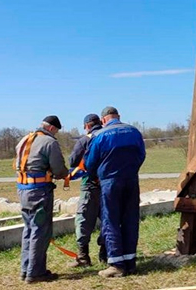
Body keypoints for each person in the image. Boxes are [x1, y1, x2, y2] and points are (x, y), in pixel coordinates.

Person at [84, 106, 146, 278]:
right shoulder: (134, 131)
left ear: (104, 120)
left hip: (110, 182)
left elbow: (90, 162)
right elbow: (142, 154)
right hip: (131, 180)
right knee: (130, 219)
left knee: (110, 220)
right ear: (118, 116)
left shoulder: (100, 135)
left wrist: (97, 175)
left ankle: (116, 264)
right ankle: (130, 262)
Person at [14, 115, 69, 284]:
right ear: (52, 128)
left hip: (23, 190)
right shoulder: (49, 142)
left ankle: (25, 270)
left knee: (29, 229)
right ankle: (36, 273)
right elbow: (59, 170)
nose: (56, 135)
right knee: (40, 230)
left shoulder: (24, 139)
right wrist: (66, 174)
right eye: (56, 132)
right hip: (39, 191)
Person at [67, 113, 106, 267]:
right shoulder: (107, 136)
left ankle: (83, 257)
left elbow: (73, 161)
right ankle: (106, 253)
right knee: (108, 219)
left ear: (87, 125)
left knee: (83, 219)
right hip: (108, 184)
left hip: (90, 184)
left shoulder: (86, 139)